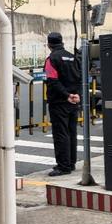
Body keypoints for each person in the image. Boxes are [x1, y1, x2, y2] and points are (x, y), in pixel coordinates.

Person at [44, 32, 82, 176]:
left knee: (61, 134)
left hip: (59, 102)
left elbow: (53, 81)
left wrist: (66, 95)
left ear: (49, 44)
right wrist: (76, 94)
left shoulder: (51, 59)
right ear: (62, 42)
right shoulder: (72, 57)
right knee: (72, 132)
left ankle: (63, 166)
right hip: (73, 101)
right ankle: (71, 163)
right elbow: (80, 77)